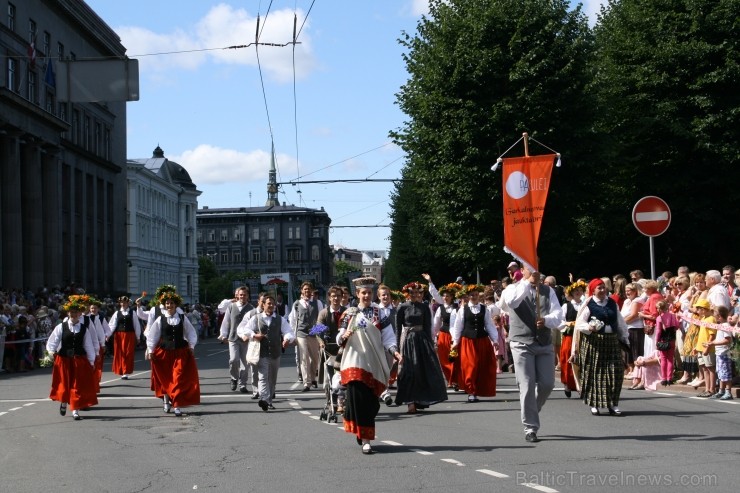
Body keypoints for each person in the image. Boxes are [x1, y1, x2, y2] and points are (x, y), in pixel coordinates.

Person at [338, 277, 401, 455]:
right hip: (354, 361)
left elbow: (388, 337)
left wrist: (395, 352)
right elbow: (339, 335)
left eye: (369, 292)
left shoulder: (379, 313)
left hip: (374, 362)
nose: (366, 295)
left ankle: (360, 428)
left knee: (372, 404)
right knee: (359, 398)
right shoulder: (349, 313)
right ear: (357, 294)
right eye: (363, 292)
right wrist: (344, 336)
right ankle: (366, 439)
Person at [499, 267, 561, 442]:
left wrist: (547, 320)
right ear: (522, 271)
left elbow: (558, 315)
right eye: (530, 268)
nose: (535, 272)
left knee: (548, 384)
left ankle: (531, 408)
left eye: (536, 269)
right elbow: (512, 302)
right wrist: (527, 283)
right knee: (526, 385)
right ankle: (530, 428)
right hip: (521, 342)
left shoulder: (549, 291)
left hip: (543, 342)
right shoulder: (513, 288)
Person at [574, 279, 630, 416]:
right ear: (593, 290)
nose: (603, 290)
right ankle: (594, 403)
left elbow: (620, 321)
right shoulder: (589, 305)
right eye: (599, 288)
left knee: (615, 372)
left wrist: (624, 337)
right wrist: (589, 327)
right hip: (595, 342)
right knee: (594, 373)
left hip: (611, 341)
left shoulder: (612, 303)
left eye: (604, 288)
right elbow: (579, 323)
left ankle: (613, 404)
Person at [394, 280, 448, 413]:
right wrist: (397, 349)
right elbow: (398, 329)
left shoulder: (424, 307)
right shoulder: (402, 307)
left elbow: (428, 327)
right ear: (407, 293)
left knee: (421, 370)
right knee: (408, 370)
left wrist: (430, 344)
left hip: (421, 340)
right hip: (407, 340)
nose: (415, 295)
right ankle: (410, 401)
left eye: (417, 292)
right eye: (412, 292)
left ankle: (419, 399)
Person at [146, 291, 200, 417]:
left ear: (176, 305)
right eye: (167, 303)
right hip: (164, 353)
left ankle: (177, 405)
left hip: (180, 352)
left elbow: (191, 333)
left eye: (171, 303)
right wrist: (150, 350)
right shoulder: (160, 319)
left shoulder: (182, 317)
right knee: (166, 378)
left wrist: (191, 346)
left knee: (178, 377)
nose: (169, 305)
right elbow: (153, 336)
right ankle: (166, 400)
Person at [239, 294, 296, 412]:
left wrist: (286, 339)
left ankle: (269, 400)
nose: (271, 305)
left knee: (272, 379)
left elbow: (288, 331)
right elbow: (246, 329)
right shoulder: (256, 318)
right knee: (263, 377)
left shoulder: (280, 319)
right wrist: (254, 335)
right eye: (268, 303)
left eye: (272, 304)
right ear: (263, 305)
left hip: (275, 352)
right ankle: (264, 399)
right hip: (262, 352)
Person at [46, 297, 98, 420]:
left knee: (77, 385)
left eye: (76, 312)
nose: (73, 314)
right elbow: (53, 341)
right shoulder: (61, 327)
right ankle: (64, 403)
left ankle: (75, 410)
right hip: (64, 360)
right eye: (71, 312)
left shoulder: (84, 328)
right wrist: (51, 352)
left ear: (79, 313)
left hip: (78, 360)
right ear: (68, 313)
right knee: (64, 384)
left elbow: (88, 345)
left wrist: (91, 361)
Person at [450, 284, 500, 403]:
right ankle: (471, 392)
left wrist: (495, 340)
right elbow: (458, 327)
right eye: (472, 295)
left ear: (479, 296)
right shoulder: (463, 310)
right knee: (470, 366)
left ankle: (478, 390)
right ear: (468, 296)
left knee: (482, 367)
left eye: (476, 295)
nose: (474, 297)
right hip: (468, 341)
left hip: (482, 341)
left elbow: (489, 325)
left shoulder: (484, 309)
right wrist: (455, 342)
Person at [315, 286, 347, 410]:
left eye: (339, 296)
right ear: (329, 297)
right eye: (333, 296)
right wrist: (321, 342)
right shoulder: (324, 313)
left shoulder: (346, 311)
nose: (336, 298)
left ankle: (341, 402)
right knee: (329, 379)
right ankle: (331, 402)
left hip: (344, 350)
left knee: (343, 378)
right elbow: (317, 331)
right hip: (328, 350)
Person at [218, 286, 254, 393]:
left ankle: (243, 384)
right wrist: (223, 335)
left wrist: (251, 336)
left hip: (245, 339)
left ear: (248, 296)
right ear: (237, 295)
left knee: (245, 362)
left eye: (244, 294)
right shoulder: (231, 306)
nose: (242, 296)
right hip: (233, 337)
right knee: (234, 359)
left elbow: (254, 324)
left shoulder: (251, 309)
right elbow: (226, 322)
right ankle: (234, 378)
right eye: (241, 294)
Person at [289, 281, 322, 392]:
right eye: (305, 289)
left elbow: (320, 319)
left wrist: (318, 332)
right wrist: (294, 335)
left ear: (312, 291)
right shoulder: (297, 304)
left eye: (309, 289)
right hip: (301, 333)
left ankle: (313, 378)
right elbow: (293, 320)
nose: (307, 291)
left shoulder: (318, 303)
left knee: (315, 358)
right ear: (301, 291)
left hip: (314, 333)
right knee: (304, 358)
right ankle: (306, 382)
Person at [431, 282, 461, 389]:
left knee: (454, 358)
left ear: (452, 297)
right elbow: (436, 324)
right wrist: (433, 337)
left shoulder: (457, 307)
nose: (445, 298)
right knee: (443, 360)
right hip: (443, 335)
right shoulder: (440, 309)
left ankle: (455, 380)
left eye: (447, 296)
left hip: (454, 336)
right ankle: (450, 379)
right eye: (443, 296)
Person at [559, 280, 586, 398]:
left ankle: (581, 385)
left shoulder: (585, 305)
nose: (578, 292)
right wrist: (568, 323)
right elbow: (559, 321)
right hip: (569, 337)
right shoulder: (566, 306)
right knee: (567, 359)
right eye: (576, 291)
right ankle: (567, 383)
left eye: (580, 290)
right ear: (571, 292)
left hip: (583, 336)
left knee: (582, 361)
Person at [108, 296, 142, 380]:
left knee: (128, 353)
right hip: (119, 336)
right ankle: (122, 370)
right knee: (120, 353)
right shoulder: (117, 313)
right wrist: (108, 335)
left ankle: (126, 371)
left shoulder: (132, 313)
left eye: (125, 302)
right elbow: (112, 325)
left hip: (129, 335)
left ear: (128, 303)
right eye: (121, 302)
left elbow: (136, 325)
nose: (123, 304)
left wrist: (138, 337)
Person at [375, 284, 397, 406]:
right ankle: (383, 392)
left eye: (387, 295)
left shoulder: (396, 310)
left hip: (390, 344)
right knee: (378, 368)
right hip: (377, 344)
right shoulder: (375, 310)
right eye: (383, 295)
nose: (386, 297)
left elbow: (398, 328)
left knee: (388, 369)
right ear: (379, 296)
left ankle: (383, 389)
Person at [706, 306, 733, 400]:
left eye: (715, 315)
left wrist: (713, 343)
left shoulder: (725, 326)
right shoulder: (721, 325)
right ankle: (721, 390)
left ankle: (728, 391)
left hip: (724, 353)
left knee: (726, 373)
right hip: (719, 353)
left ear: (720, 316)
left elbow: (727, 340)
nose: (714, 317)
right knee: (721, 373)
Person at [621, 282, 646, 386]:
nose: (627, 292)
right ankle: (631, 370)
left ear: (635, 291)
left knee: (636, 350)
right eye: (626, 290)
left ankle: (637, 372)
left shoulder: (637, 300)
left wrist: (622, 323)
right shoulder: (627, 301)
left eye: (630, 290)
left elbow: (634, 315)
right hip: (627, 328)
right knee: (628, 350)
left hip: (636, 328)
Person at [692, 298, 716, 398]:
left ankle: (712, 389)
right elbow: (701, 335)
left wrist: (707, 347)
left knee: (710, 368)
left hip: (707, 348)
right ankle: (707, 388)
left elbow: (712, 335)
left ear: (704, 309)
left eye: (699, 308)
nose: (697, 310)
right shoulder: (703, 319)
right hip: (701, 348)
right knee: (704, 368)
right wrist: (697, 347)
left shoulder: (711, 319)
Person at [654, 300, 679, 386]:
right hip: (671, 339)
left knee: (663, 359)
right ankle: (670, 378)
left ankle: (664, 378)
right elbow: (677, 326)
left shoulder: (659, 318)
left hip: (663, 340)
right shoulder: (672, 316)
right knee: (670, 359)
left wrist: (656, 341)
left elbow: (658, 332)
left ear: (659, 309)